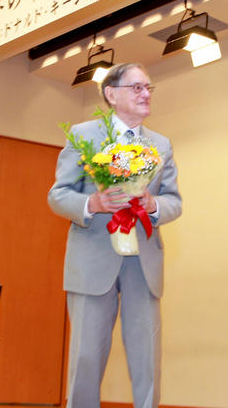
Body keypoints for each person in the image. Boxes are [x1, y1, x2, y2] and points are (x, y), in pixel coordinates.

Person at [48, 63, 182, 408]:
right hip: (93, 260)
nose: (145, 94)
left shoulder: (162, 144)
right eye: (136, 87)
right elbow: (58, 195)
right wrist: (93, 202)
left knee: (147, 359)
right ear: (111, 94)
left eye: (148, 88)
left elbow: (174, 202)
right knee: (86, 358)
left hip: (144, 262)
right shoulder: (83, 135)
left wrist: (153, 205)